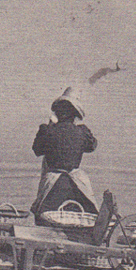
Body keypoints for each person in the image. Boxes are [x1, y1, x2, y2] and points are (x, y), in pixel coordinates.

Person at [30, 87, 99, 222]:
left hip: (53, 186)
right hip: (78, 186)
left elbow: (37, 150)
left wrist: (50, 126)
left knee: (40, 215)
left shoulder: (48, 131)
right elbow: (92, 146)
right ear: (75, 115)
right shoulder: (82, 132)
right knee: (90, 214)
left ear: (57, 112)